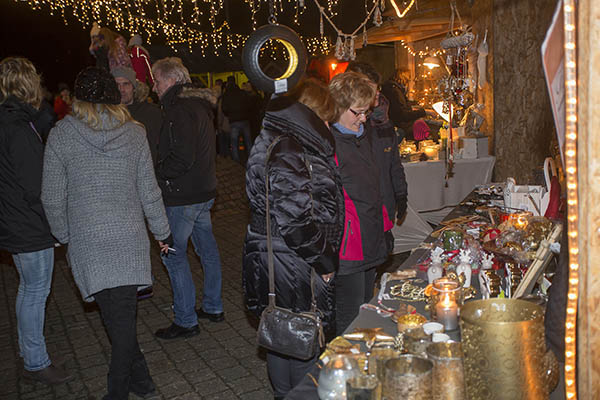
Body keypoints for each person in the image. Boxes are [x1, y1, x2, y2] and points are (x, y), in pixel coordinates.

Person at [41, 66, 172, 400]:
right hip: (128, 238)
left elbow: (52, 197)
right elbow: (149, 189)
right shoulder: (134, 133)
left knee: (118, 319)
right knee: (120, 320)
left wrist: (65, 235)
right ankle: (142, 383)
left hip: (88, 242)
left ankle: (119, 391)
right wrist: (161, 231)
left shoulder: (61, 135)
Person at [243, 78, 343, 400]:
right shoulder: (290, 146)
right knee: (302, 341)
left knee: (281, 335)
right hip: (293, 259)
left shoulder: (277, 137)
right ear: (310, 115)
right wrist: (325, 260)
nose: (328, 124)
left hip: (275, 253)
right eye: (325, 117)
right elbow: (296, 221)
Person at [0, 56, 72, 386]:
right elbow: (34, 187)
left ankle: (30, 356)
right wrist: (55, 223)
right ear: (29, 84)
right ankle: (35, 361)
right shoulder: (18, 127)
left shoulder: (8, 120)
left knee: (28, 290)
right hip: (27, 225)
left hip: (14, 219)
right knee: (34, 292)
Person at [151, 57, 225, 340]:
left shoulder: (179, 109)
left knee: (172, 254)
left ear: (169, 80)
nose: (154, 87)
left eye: (157, 82)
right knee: (206, 249)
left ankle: (185, 319)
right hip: (203, 191)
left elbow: (182, 157)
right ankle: (213, 305)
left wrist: (156, 174)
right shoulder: (198, 104)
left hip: (183, 195)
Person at [328, 71, 389, 335]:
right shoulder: (327, 143)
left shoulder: (363, 135)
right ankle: (344, 373)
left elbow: (375, 187)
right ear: (339, 107)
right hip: (348, 247)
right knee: (349, 320)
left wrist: (384, 228)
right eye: (358, 112)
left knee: (365, 311)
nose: (364, 118)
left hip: (370, 236)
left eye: (366, 112)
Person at [346, 62, 408, 252]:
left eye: (377, 87)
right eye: (370, 88)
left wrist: (401, 194)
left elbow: (393, 163)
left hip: (385, 205)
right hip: (358, 215)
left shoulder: (383, 121)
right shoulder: (347, 124)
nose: (377, 93)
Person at [112, 66, 161, 164]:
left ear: (134, 87)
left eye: (126, 84)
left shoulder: (151, 113)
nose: (121, 89)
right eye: (117, 85)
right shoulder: (106, 114)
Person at [380, 68, 427, 141]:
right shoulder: (394, 91)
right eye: (408, 79)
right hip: (397, 127)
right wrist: (423, 112)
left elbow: (402, 106)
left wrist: (413, 106)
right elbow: (402, 115)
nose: (408, 82)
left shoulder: (394, 89)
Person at [222, 76, 253, 162]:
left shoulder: (226, 94)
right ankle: (251, 158)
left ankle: (236, 162)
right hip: (244, 119)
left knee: (234, 143)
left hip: (234, 120)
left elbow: (224, 108)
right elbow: (249, 104)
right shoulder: (242, 92)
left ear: (228, 82)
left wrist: (229, 114)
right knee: (248, 142)